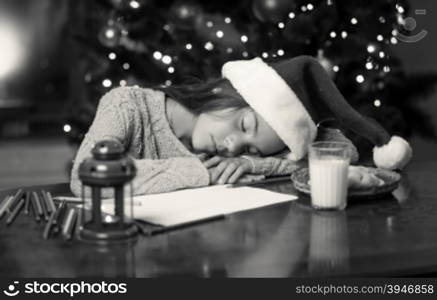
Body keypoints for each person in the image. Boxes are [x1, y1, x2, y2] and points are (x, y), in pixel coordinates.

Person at [70, 56, 412, 197]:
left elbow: (342, 152)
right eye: (244, 124)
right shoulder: (126, 105)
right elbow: (86, 176)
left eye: (248, 147)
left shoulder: (235, 157)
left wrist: (250, 163)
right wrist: (203, 172)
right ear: (224, 90)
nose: (233, 146)